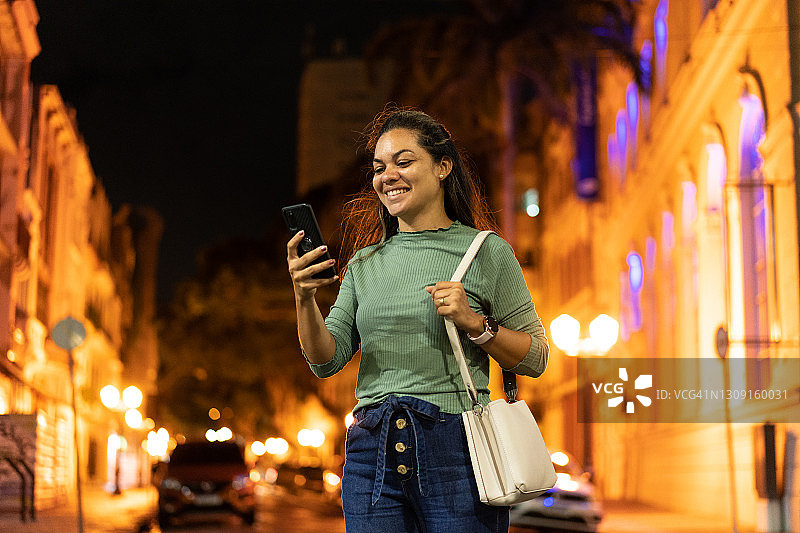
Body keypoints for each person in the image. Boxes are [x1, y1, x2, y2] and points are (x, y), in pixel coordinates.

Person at [286, 107, 549, 533]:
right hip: (371, 449)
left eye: (403, 162)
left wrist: (475, 323)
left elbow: (535, 357)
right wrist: (304, 297)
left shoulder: (487, 252)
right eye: (378, 168)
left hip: (457, 450)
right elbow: (325, 361)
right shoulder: (364, 264)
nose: (387, 176)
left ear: (443, 167)